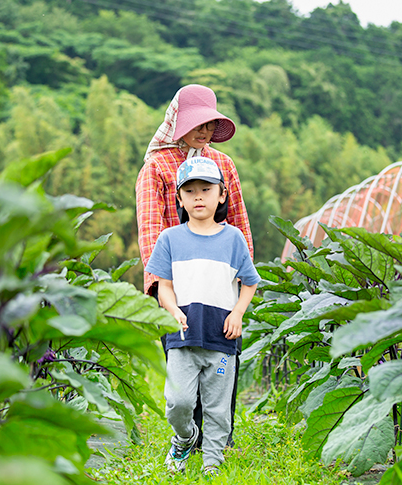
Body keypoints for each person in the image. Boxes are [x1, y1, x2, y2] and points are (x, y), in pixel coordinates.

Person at [135, 84, 254, 448]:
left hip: (219, 279)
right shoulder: (157, 167)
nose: (204, 131)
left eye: (209, 124)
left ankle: (220, 440)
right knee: (184, 358)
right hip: (178, 282)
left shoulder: (223, 164)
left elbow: (238, 220)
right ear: (177, 123)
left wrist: (243, 275)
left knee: (223, 354)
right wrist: (161, 286)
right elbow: (151, 227)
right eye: (196, 123)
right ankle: (190, 435)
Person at [144, 156, 260, 476]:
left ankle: (212, 461)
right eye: (190, 191)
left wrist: (238, 312)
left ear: (222, 195)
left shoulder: (233, 239)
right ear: (179, 199)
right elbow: (164, 287)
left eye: (206, 189)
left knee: (217, 407)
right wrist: (173, 310)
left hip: (221, 339)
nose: (198, 197)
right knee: (178, 401)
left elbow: (250, 282)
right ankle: (185, 437)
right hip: (182, 337)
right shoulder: (169, 239)